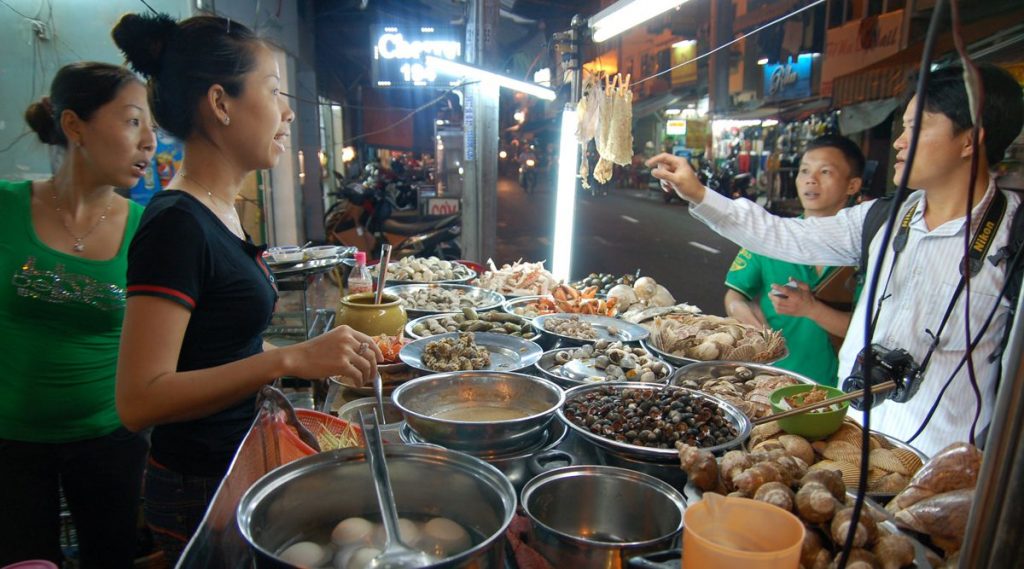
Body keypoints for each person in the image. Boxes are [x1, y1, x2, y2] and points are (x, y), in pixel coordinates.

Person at [111, 13, 383, 562]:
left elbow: (217, 346)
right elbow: (139, 399)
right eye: (274, 91)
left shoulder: (221, 213)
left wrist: (300, 356)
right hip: (201, 486)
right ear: (220, 103)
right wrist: (291, 359)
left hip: (239, 461)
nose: (286, 113)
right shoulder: (175, 224)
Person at [647, 64, 1023, 457]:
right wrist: (699, 194)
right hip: (851, 442)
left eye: (917, 128)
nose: (899, 142)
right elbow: (783, 235)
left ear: (969, 141)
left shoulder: (1014, 240)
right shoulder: (882, 219)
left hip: (942, 465)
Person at [0, 62, 155, 568]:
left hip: (109, 442)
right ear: (74, 126)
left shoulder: (145, 229)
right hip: (10, 444)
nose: (149, 143)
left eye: (152, 126)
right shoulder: (5, 208)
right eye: (133, 121)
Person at [724, 135, 864, 386]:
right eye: (804, 171)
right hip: (771, 382)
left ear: (852, 185)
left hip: (840, 390)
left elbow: (869, 332)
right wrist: (745, 317)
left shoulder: (868, 249)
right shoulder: (771, 236)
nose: (811, 179)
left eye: (825, 172)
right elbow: (735, 295)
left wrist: (812, 309)